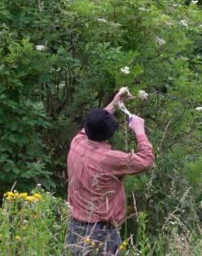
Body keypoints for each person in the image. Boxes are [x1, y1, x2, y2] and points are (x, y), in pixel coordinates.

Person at [65, 90, 155, 255]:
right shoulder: (110, 160)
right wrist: (139, 130)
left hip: (74, 229)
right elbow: (147, 160)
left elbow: (93, 125)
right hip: (101, 234)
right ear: (110, 134)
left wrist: (114, 103)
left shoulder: (77, 143)